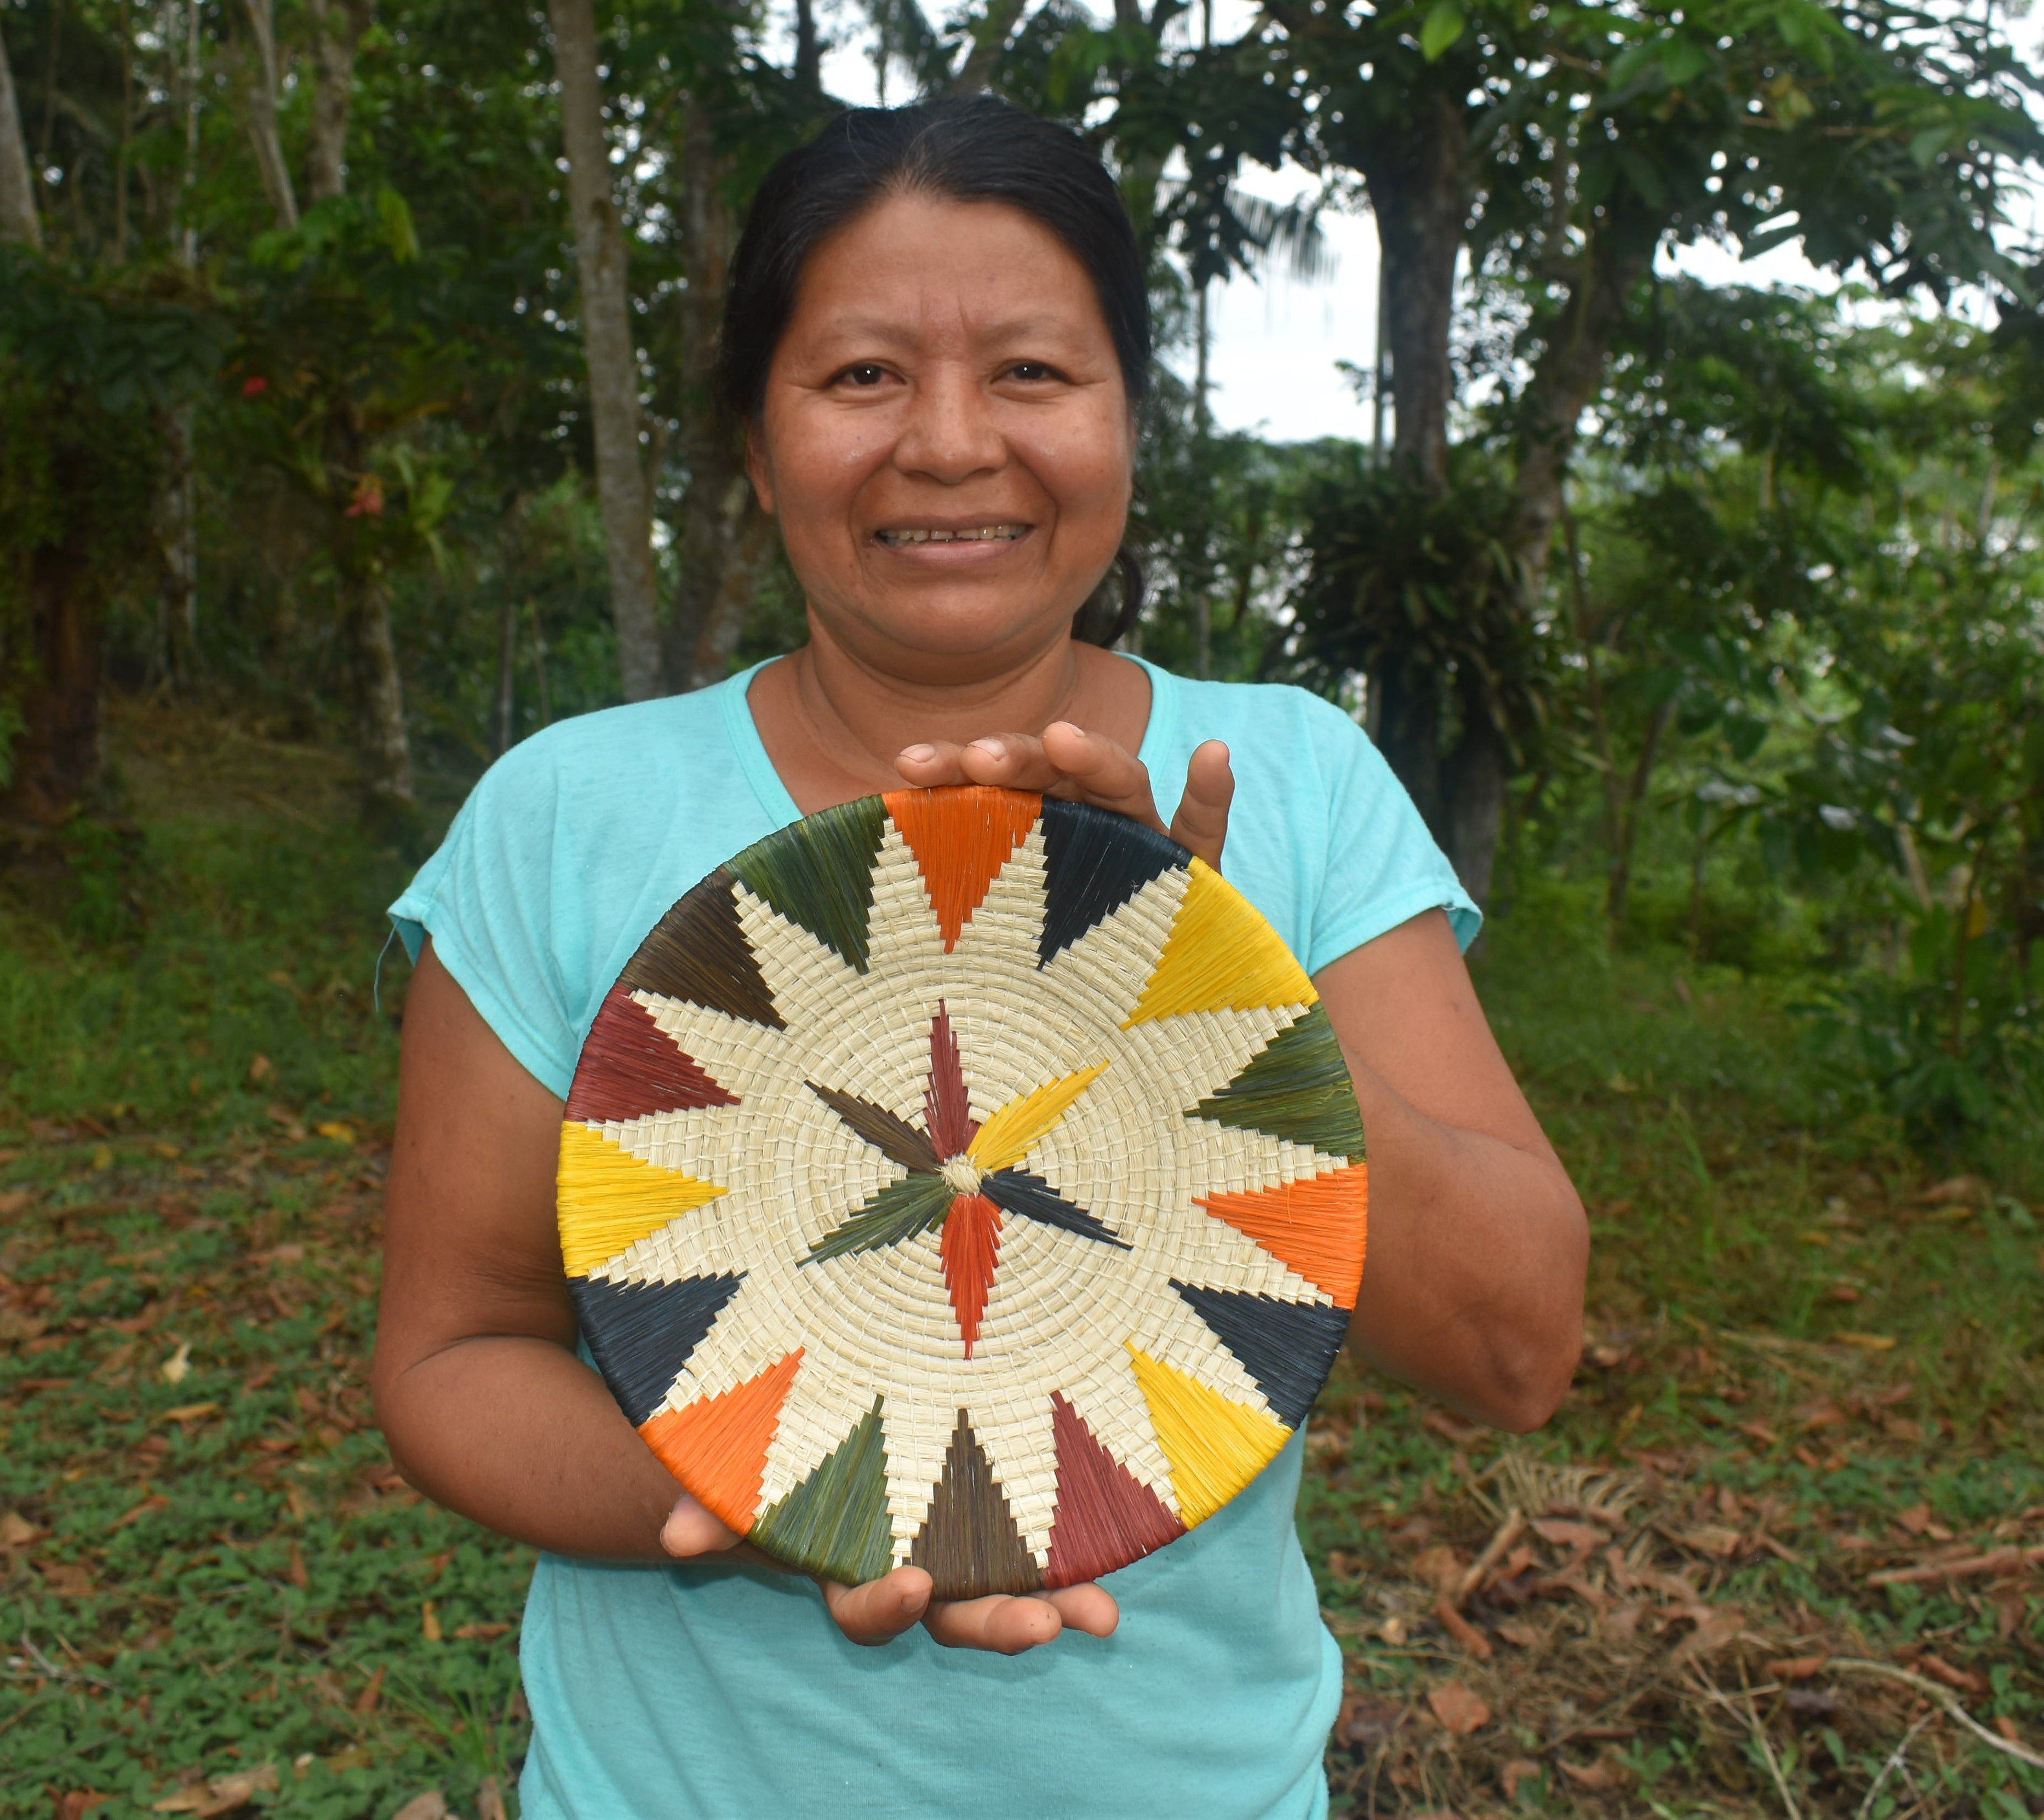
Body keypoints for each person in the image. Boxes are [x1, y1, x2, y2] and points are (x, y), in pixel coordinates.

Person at [375, 95, 1587, 1820]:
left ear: (1129, 420)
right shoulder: (568, 812)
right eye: (862, 374)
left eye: (1032, 371)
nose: (949, 442)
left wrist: (1206, 984)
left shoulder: (1293, 783)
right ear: (754, 430)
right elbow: (451, 1357)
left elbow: (1519, 1349)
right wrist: (784, 1504)